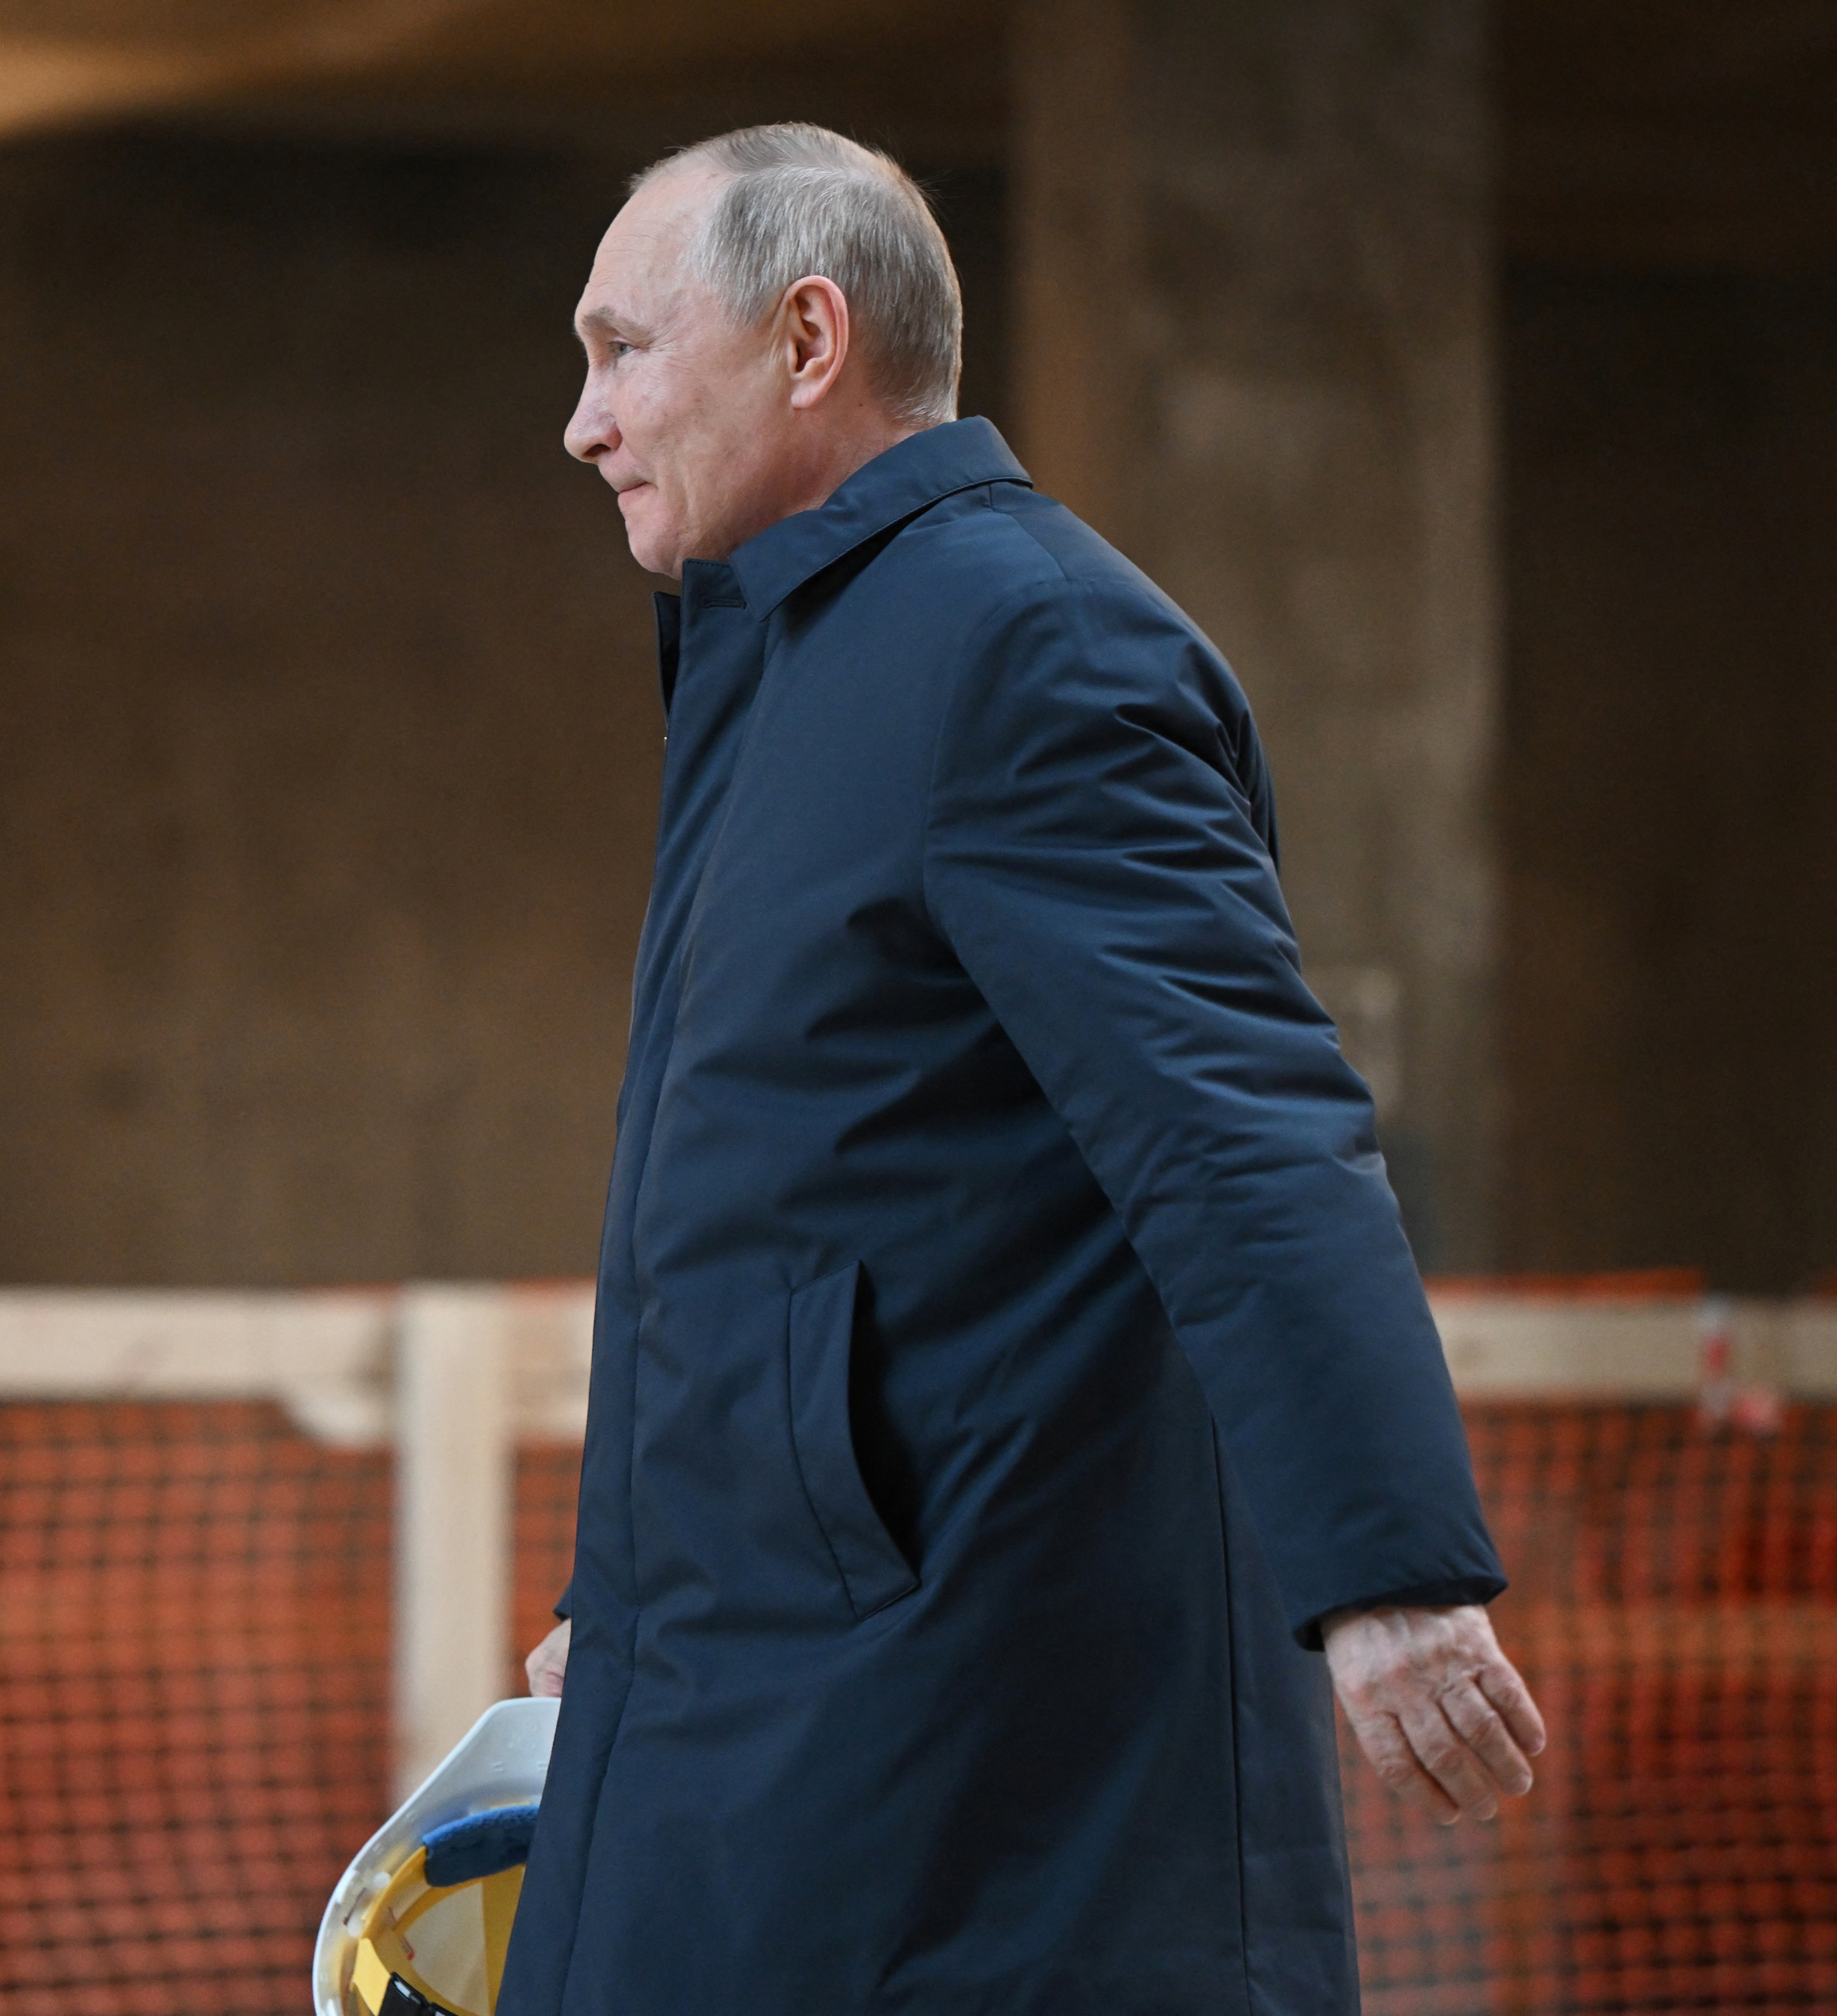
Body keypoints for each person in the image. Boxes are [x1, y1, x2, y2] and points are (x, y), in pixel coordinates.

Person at [503, 124, 1546, 2015]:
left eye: (620, 350)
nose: (583, 422)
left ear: (808, 340)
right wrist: (627, 1586)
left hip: (949, 1727)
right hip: (751, 1666)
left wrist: (1386, 1569)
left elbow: (1238, 1132)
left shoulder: (1024, 647)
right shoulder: (779, 663)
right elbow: (794, 1207)